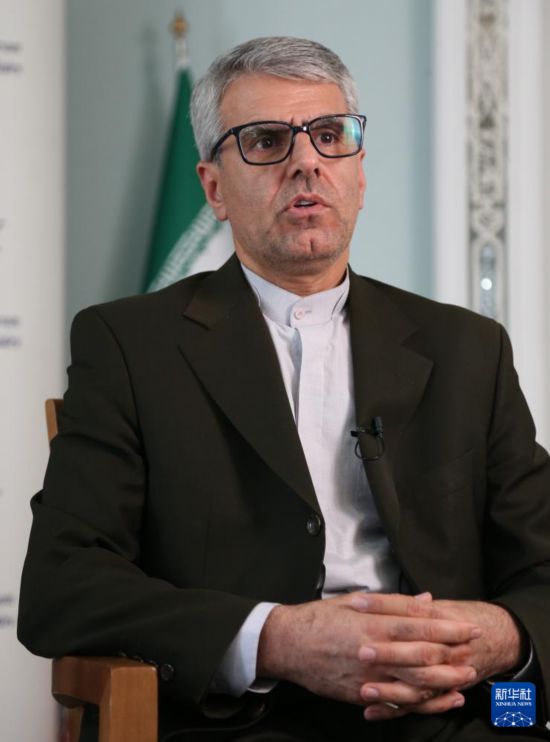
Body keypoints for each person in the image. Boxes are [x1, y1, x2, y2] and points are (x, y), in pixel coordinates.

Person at [18, 36, 550, 742]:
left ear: (359, 172)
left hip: (442, 718)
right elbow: (62, 586)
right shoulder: (129, 346)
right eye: (267, 141)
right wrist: (276, 639)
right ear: (214, 189)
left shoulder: (466, 350)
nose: (306, 162)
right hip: (239, 721)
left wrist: (496, 637)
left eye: (330, 136)